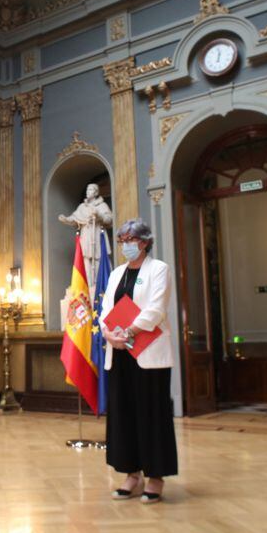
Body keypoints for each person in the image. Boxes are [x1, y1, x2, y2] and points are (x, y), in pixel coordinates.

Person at [98, 218, 178, 504]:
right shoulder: (117, 273)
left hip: (147, 353)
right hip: (119, 353)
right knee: (123, 415)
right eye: (121, 241)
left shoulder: (159, 269)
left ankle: (155, 477)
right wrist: (109, 332)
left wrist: (129, 331)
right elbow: (105, 308)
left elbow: (156, 308)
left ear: (144, 242)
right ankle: (131, 474)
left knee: (151, 415)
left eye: (130, 240)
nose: (125, 246)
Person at [58, 183, 114, 290]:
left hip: (97, 234)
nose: (88, 192)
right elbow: (74, 218)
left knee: (97, 258)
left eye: (91, 190)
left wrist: (99, 215)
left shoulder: (102, 206)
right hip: (86, 234)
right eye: (87, 189)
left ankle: (98, 285)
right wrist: (66, 219)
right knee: (85, 259)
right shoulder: (82, 207)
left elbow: (109, 219)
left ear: (96, 192)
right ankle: (86, 284)